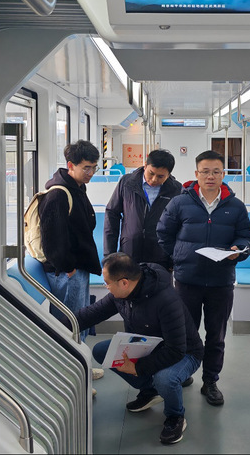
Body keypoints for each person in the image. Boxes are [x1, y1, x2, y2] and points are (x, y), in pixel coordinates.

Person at [66, 253, 204, 445]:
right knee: (101, 351)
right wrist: (54, 325)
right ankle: (150, 391)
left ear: (124, 282)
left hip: (186, 352)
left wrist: (138, 368)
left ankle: (175, 416)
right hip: (152, 345)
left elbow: (176, 350)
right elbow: (91, 314)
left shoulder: (165, 299)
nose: (106, 287)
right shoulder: (122, 294)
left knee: (165, 378)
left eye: (107, 283)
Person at [157, 150, 250, 406]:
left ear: (223, 174)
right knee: (184, 333)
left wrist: (240, 249)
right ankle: (183, 372)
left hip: (221, 281)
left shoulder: (235, 206)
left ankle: (210, 380)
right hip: (187, 280)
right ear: (196, 174)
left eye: (216, 172)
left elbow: (246, 237)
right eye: (205, 172)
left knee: (216, 336)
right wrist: (179, 257)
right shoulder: (179, 203)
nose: (210, 176)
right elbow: (163, 233)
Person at [38, 140, 102, 341]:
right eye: (86, 168)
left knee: (79, 320)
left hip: (76, 268)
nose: (91, 173)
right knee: (69, 325)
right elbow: (52, 240)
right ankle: (68, 360)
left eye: (94, 168)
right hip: (66, 272)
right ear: (70, 165)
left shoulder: (78, 187)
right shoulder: (58, 195)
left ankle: (79, 357)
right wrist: (69, 268)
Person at [104, 149, 182, 269]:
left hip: (160, 256)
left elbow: (180, 226)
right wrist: (110, 255)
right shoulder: (127, 183)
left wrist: (174, 260)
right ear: (145, 165)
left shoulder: (176, 190)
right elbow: (112, 214)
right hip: (129, 252)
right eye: (151, 173)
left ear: (169, 174)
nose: (154, 179)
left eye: (161, 176)